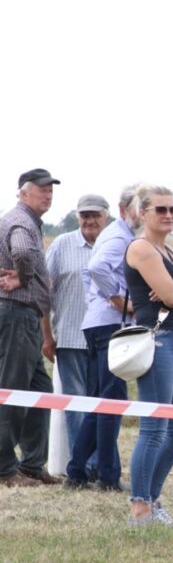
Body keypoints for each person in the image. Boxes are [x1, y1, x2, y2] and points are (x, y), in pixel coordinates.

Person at [125, 184, 173, 526]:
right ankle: (140, 507)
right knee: (154, 428)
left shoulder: (167, 251)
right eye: (161, 210)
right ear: (143, 214)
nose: (169, 215)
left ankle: (152, 499)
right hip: (158, 342)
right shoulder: (143, 249)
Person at [65, 185, 141, 491]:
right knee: (111, 402)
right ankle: (107, 476)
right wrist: (119, 300)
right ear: (124, 210)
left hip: (98, 323)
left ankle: (77, 471)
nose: (144, 213)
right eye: (141, 207)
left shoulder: (116, 236)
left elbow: (89, 274)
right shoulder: (120, 237)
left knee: (101, 402)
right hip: (110, 325)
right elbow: (96, 269)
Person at [0, 168, 60, 487]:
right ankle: (5, 469)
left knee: (40, 390)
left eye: (50, 189)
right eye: (41, 189)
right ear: (23, 193)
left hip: (24, 316)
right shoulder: (22, 222)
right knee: (11, 389)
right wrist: (24, 277)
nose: (48, 194)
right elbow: (22, 251)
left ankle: (32, 464)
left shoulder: (24, 220)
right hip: (16, 313)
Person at [45, 194, 109, 474]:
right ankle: (82, 466)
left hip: (108, 340)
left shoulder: (117, 246)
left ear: (106, 216)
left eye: (95, 214)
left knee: (103, 406)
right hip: (70, 336)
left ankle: (98, 464)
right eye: (85, 215)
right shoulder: (62, 244)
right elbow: (44, 292)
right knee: (76, 404)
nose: (90, 220)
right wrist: (46, 335)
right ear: (77, 217)